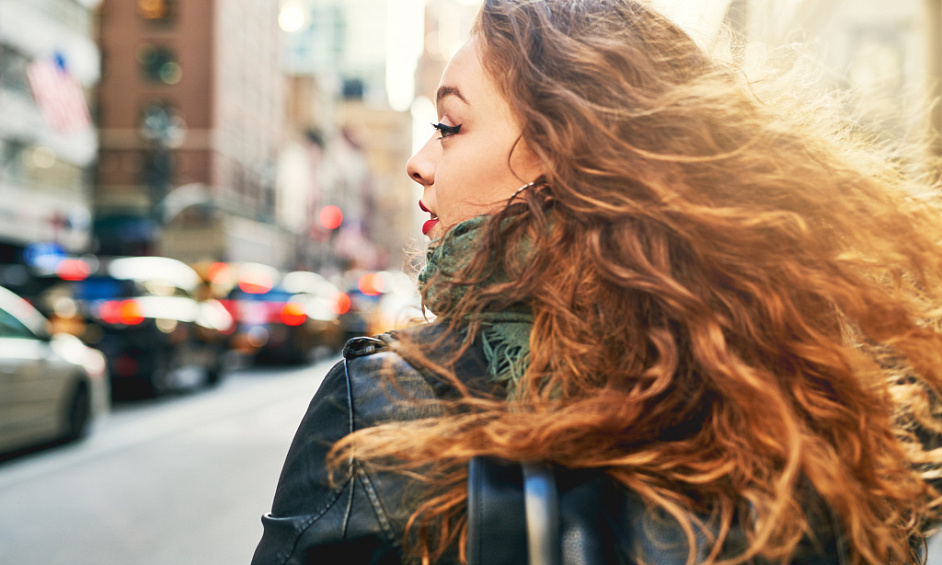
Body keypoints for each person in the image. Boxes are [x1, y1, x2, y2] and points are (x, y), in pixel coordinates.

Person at [251, 0, 942, 563]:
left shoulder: (387, 406)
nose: (419, 160)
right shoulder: (825, 395)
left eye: (449, 125)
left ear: (569, 152)